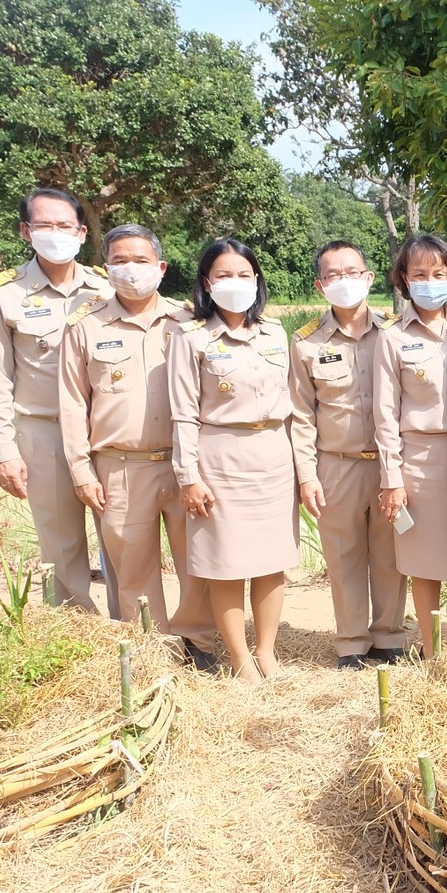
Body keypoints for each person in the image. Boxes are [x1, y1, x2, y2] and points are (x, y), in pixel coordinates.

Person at [58, 224, 218, 671]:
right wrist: (81, 471)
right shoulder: (85, 327)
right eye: (120, 261)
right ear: (105, 268)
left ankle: (199, 642)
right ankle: (152, 650)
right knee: (133, 567)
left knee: (198, 560)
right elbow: (71, 405)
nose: (131, 270)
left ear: (161, 268)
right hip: (120, 466)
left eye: (141, 260)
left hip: (185, 464)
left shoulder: (189, 322)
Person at [0, 187, 119, 612]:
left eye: (65, 225)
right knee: (60, 543)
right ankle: (75, 639)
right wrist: (5, 451)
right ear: (26, 231)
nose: (55, 233)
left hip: (104, 431)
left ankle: (134, 630)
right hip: (45, 431)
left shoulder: (105, 286)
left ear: (81, 231)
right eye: (44, 225)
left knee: (121, 536)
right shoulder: (3, 292)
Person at [168, 238, 299, 685]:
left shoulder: (276, 334)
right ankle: (240, 658)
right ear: (207, 282)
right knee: (226, 562)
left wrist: (304, 470)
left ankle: (267, 652)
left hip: (274, 456)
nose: (235, 283)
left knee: (271, 559)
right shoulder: (190, 338)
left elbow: (295, 405)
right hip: (220, 458)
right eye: (223, 275)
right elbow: (183, 413)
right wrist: (189, 476)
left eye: (244, 274)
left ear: (257, 280)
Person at [289, 240, 409, 670]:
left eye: (352, 272)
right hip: (335, 464)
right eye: (334, 275)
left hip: (389, 464)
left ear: (369, 278)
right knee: (343, 557)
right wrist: (307, 475)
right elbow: (301, 415)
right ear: (321, 285)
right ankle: (351, 642)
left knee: (392, 553)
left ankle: (389, 635)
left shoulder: (395, 334)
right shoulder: (305, 343)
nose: (344, 281)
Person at [375, 233, 447, 645]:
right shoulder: (392, 337)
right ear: (404, 278)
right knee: (424, 559)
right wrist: (392, 477)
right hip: (418, 457)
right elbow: (384, 414)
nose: (429, 281)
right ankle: (433, 650)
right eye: (418, 273)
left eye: (438, 272)